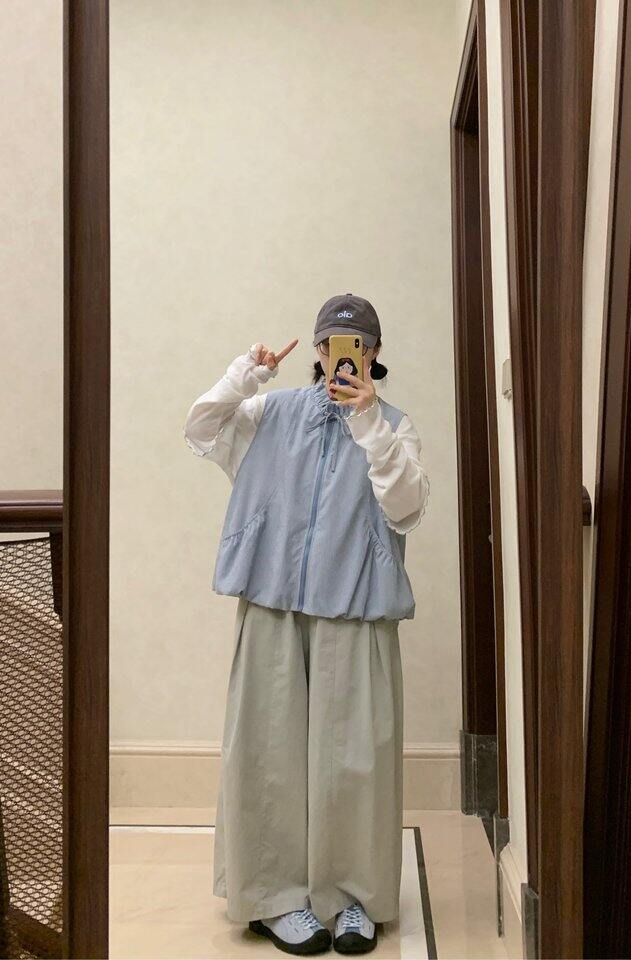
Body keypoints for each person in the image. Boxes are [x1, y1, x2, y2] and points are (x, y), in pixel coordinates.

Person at [183, 293, 429, 955]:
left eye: (357, 344)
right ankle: (274, 898)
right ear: (318, 350)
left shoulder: (392, 426)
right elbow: (201, 427)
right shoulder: (271, 412)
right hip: (273, 602)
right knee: (267, 754)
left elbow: (407, 507)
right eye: (330, 344)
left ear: (374, 353)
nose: (341, 355)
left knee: (354, 760)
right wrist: (247, 373)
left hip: (356, 605)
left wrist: (369, 425)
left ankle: (352, 900)